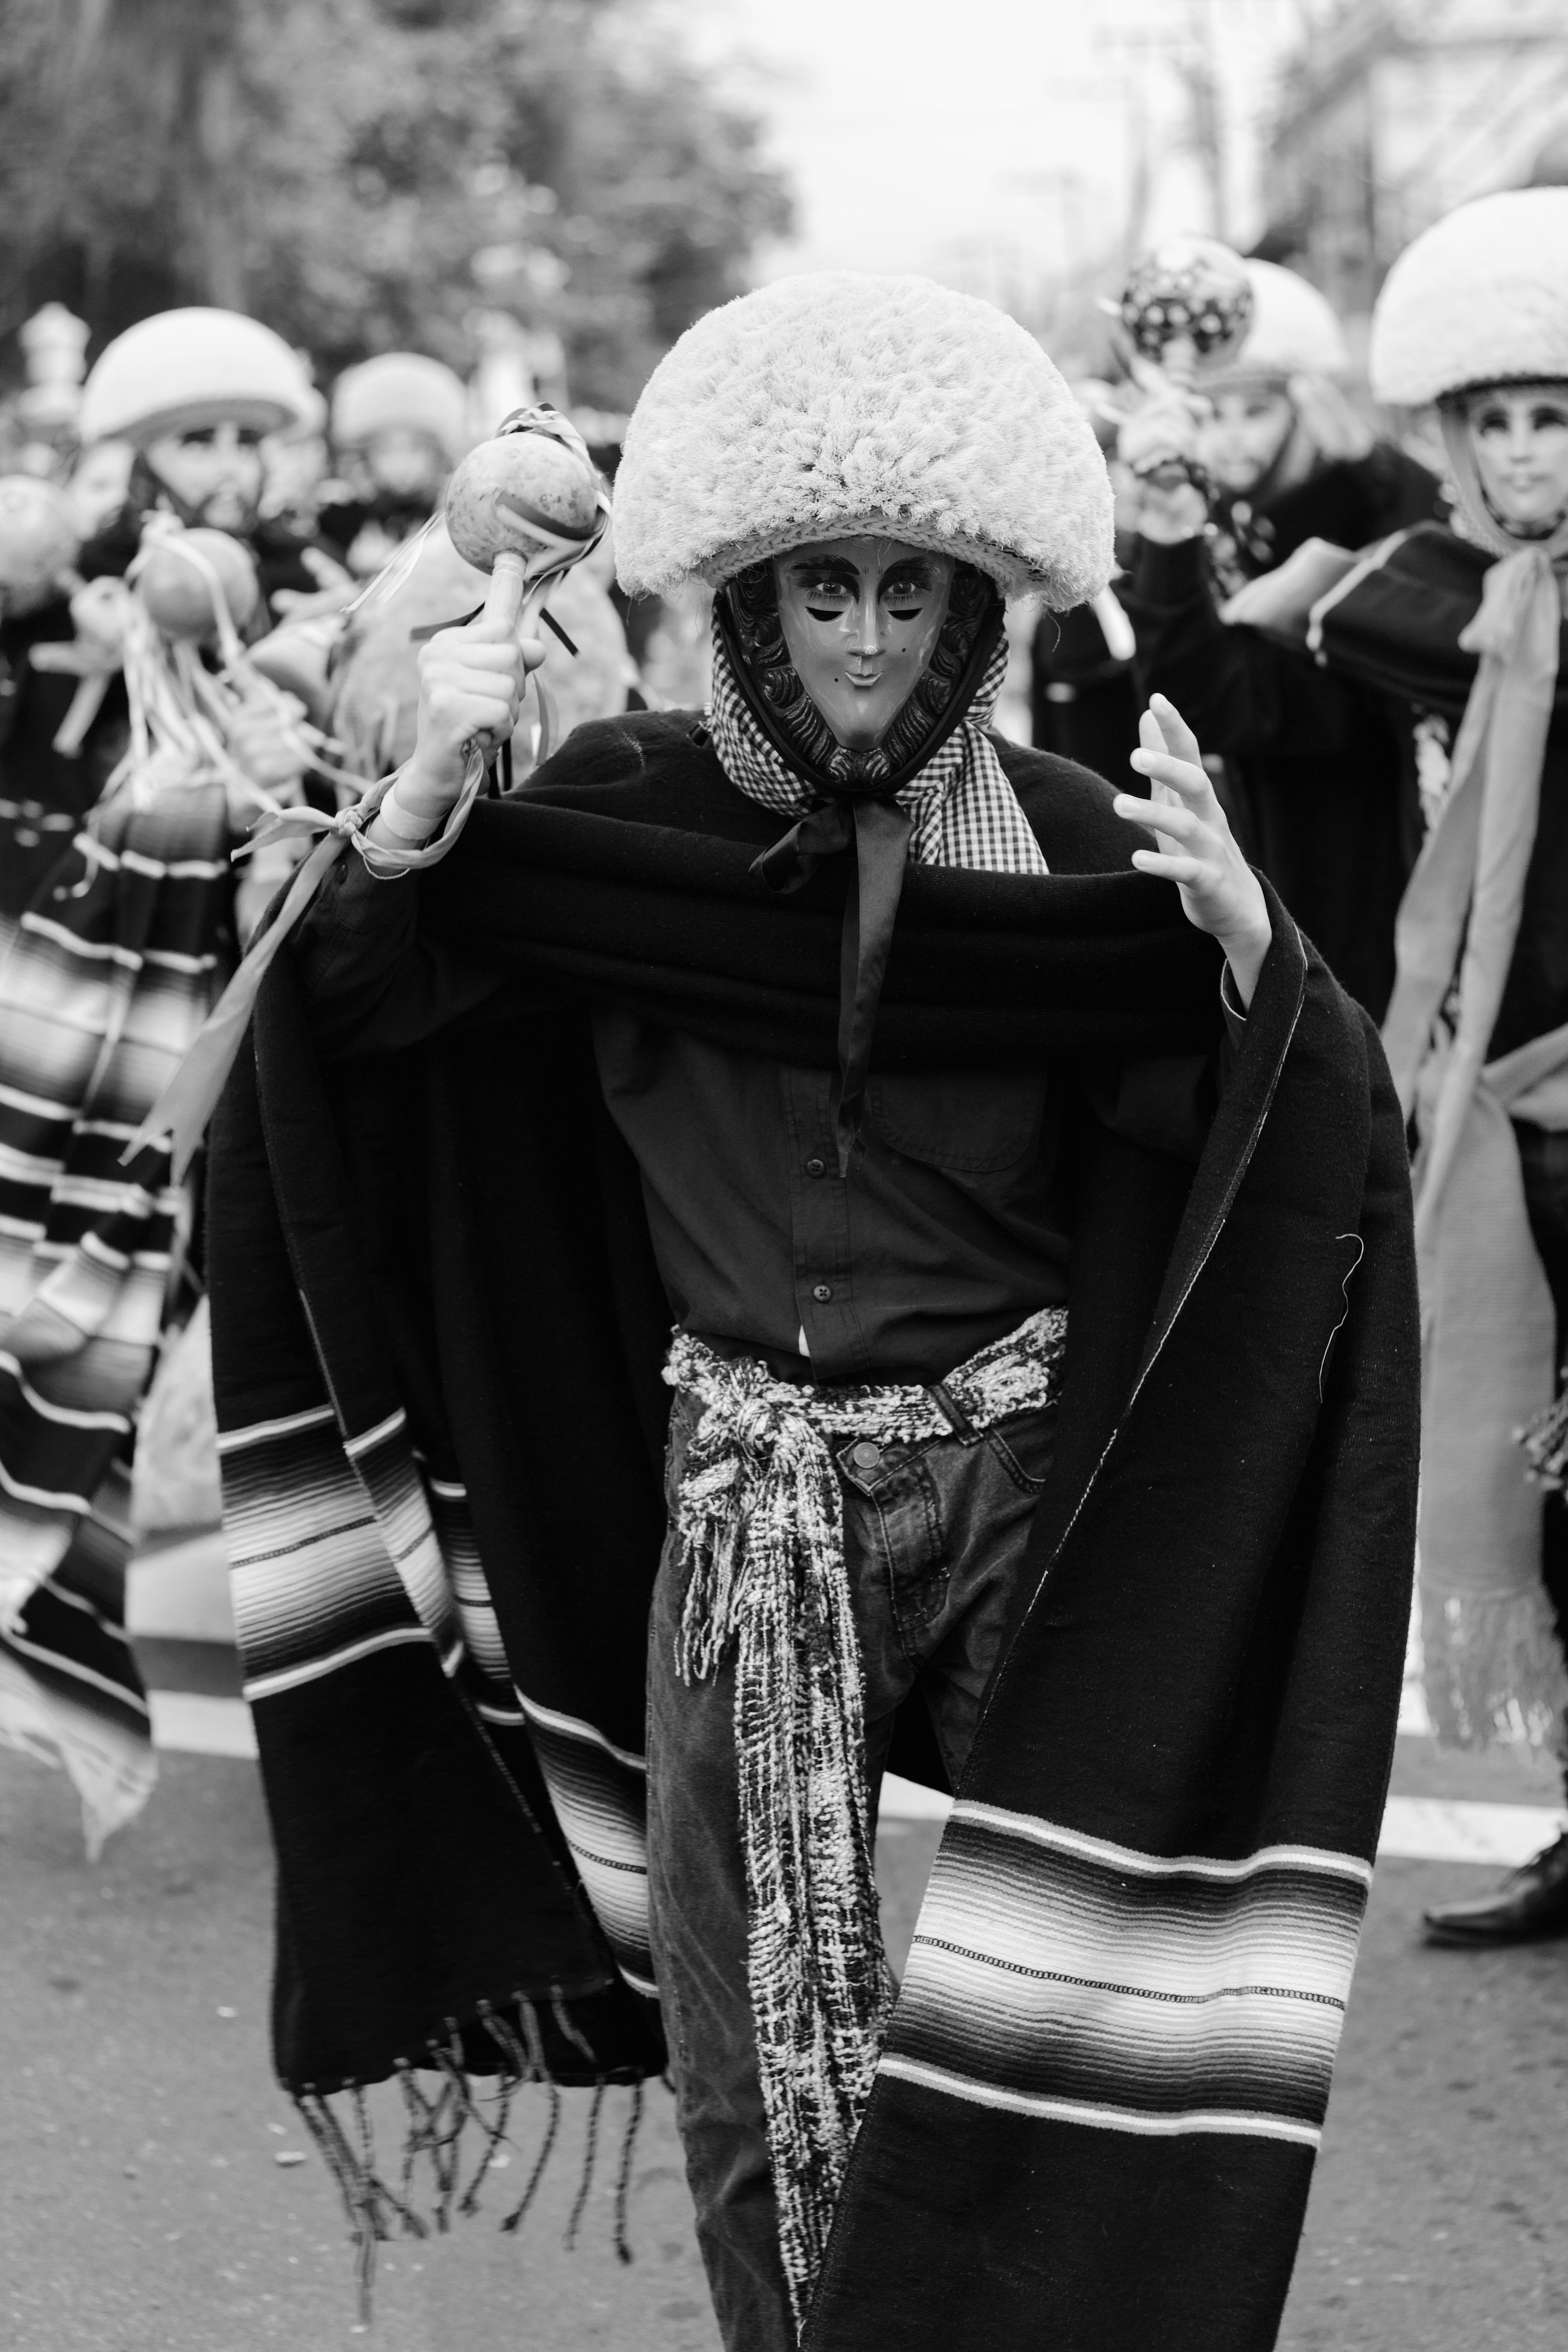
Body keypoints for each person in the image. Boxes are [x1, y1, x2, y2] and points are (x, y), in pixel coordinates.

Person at [206, 274, 1415, 2352]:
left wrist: (1248, 972)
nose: (861, 636)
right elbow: (356, 1027)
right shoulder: (616, 819)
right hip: (747, 1506)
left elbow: (1253, 1147)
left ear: (975, 611)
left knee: (1101, 1996)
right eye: (816, 590)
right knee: (753, 2062)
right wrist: (401, 839)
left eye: (906, 591)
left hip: (1028, 1499)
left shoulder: (1069, 844)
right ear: (745, 605)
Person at [0, 307, 332, 1853]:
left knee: (209, 1313)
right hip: (88, 982)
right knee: (87, 1294)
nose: (219, 462)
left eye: (238, 434)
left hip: (249, 999)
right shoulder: (68, 589)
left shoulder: (311, 590)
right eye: (187, 437)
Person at [1299, 187, 1568, 1948]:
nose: (1528, 449)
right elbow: (1317, 614)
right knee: (1532, 1475)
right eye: (1498, 419)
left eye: (1557, 415)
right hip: (1509, 1098)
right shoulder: (1476, 608)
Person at [1118, 260, 1441, 1018]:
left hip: (1376, 889)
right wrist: (1166, 541)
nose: (1229, 439)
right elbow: (1188, 702)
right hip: (1261, 887)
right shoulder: (1202, 531)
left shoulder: (1372, 521)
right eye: (1211, 412)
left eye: (1255, 410)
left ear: (1308, 403)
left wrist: (1376, 472)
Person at [318, 350, 470, 577]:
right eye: (384, 450)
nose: (401, 463)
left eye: (416, 448)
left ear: (438, 454)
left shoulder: (457, 516)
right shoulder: (339, 519)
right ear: (365, 455)